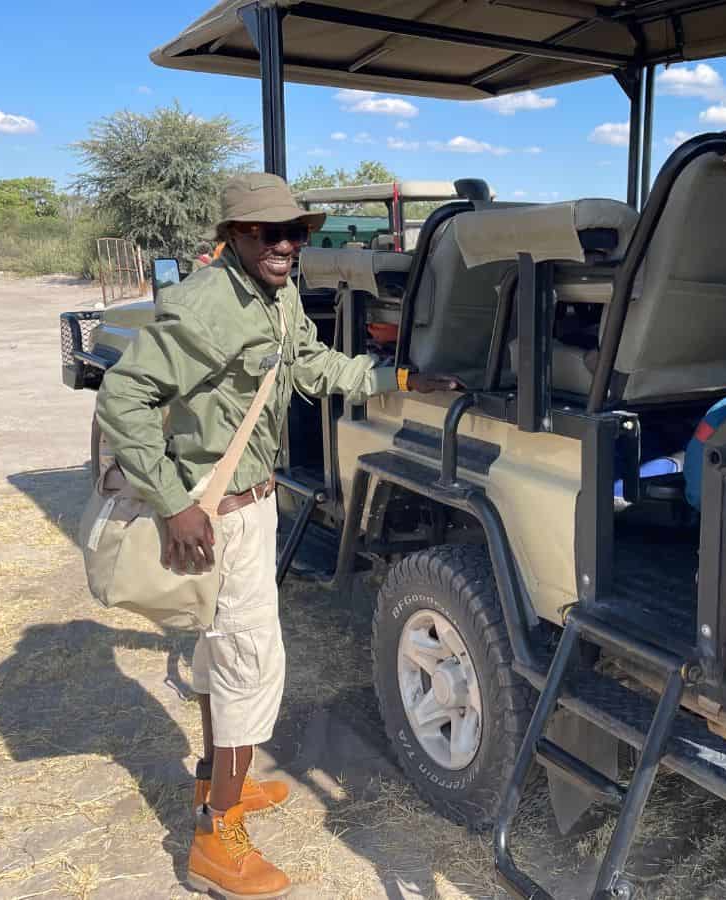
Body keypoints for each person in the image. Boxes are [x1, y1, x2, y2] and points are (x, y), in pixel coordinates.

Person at [95, 172, 457, 898]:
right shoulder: (206, 306)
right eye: (268, 233)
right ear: (233, 236)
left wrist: (396, 379)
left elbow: (311, 365)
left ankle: (214, 785)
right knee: (249, 664)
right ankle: (217, 840)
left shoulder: (278, 292)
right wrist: (172, 503)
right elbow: (123, 395)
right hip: (215, 515)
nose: (288, 245)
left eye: (297, 232)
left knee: (219, 651)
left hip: (250, 503)